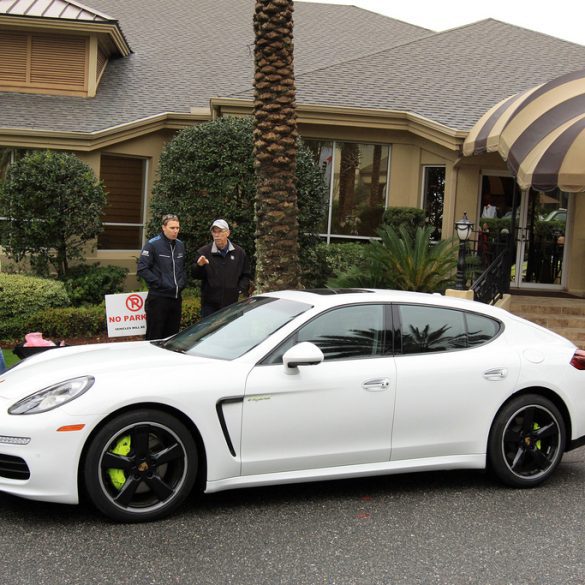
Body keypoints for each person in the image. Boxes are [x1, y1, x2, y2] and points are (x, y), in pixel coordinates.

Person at [137, 214, 187, 340]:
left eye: (177, 228)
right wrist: (160, 283)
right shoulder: (152, 244)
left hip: (176, 299)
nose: (176, 231)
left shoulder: (180, 245)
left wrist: (182, 283)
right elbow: (142, 269)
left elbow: (182, 268)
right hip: (158, 299)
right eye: (172, 228)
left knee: (172, 338)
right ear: (163, 228)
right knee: (155, 337)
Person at [194, 219, 251, 317]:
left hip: (232, 304)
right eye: (214, 232)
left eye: (220, 231)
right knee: (210, 332)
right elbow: (196, 275)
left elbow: (246, 274)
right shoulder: (203, 252)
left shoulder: (239, 252)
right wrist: (199, 266)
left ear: (228, 233)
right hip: (209, 306)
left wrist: (239, 290)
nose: (217, 235)